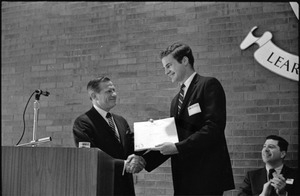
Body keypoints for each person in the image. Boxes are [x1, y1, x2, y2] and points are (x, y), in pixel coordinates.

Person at [140, 42, 235, 195]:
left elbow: (214, 128)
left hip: (206, 177)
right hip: (183, 178)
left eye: (169, 66)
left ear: (184, 61)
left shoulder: (208, 85)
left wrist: (178, 148)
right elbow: (173, 137)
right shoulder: (175, 100)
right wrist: (144, 160)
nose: (166, 72)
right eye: (164, 67)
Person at [73, 76, 146, 196]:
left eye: (114, 90)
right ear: (94, 96)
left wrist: (150, 133)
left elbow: (131, 148)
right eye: (109, 91)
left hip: (126, 188)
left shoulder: (121, 121)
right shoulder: (83, 123)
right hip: (101, 187)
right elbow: (89, 157)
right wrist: (124, 165)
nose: (114, 94)